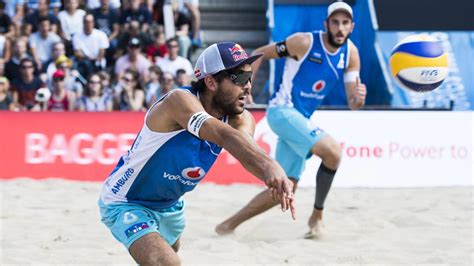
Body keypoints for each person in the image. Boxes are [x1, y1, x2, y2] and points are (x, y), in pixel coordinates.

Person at [98, 41, 296, 265]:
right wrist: (270, 165)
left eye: (249, 78)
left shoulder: (241, 119)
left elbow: (244, 150)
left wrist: (270, 174)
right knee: (168, 262)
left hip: (171, 206)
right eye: (239, 78)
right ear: (211, 82)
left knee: (166, 257)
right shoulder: (177, 101)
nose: (248, 86)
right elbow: (220, 134)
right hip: (125, 200)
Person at [215, 2, 367, 238]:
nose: (339, 27)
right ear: (326, 24)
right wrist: (248, 84)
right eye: (335, 22)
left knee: (286, 186)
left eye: (345, 23)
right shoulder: (304, 42)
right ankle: (317, 216)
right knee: (333, 152)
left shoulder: (352, 54)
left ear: (352, 26)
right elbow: (261, 53)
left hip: (300, 118)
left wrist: (359, 99)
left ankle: (227, 226)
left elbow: (353, 103)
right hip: (282, 111)